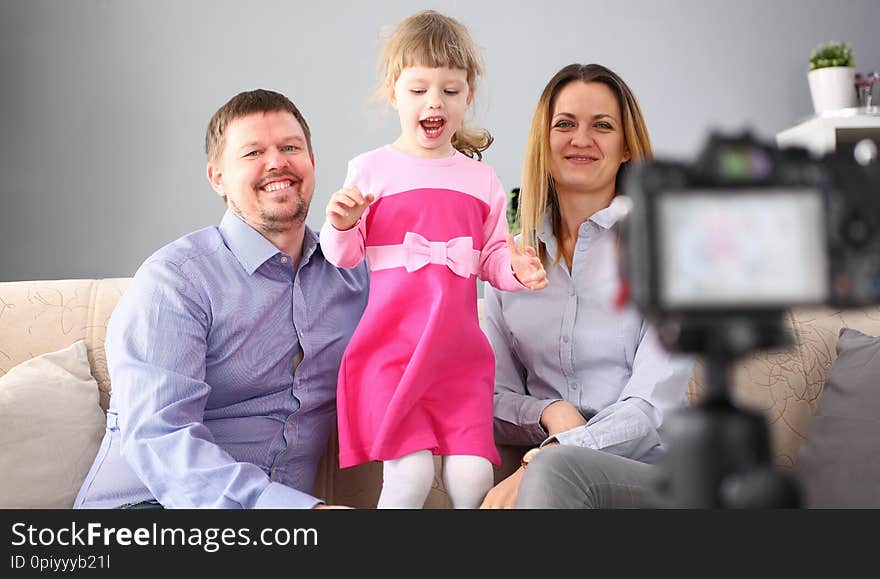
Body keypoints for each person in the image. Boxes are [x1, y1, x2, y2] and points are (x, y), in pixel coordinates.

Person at [73, 89, 369, 509]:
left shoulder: (354, 277)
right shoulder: (176, 280)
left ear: (313, 163)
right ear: (218, 178)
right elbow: (161, 436)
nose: (277, 162)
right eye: (252, 153)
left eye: (290, 147)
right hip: (147, 508)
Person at [319, 10, 547, 509]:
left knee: (471, 476)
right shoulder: (371, 169)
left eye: (450, 90)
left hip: (458, 357)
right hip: (393, 352)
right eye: (419, 88)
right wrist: (339, 222)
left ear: (468, 96)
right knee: (410, 475)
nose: (434, 102)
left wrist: (518, 270)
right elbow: (343, 256)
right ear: (393, 91)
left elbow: (490, 257)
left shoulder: (479, 180)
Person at [479, 64, 695, 509]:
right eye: (565, 124)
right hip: (553, 478)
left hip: (657, 477)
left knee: (554, 475)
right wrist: (547, 413)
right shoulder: (508, 262)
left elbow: (652, 409)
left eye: (602, 125)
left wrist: (557, 452)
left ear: (626, 148)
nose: (581, 139)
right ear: (545, 142)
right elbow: (493, 398)